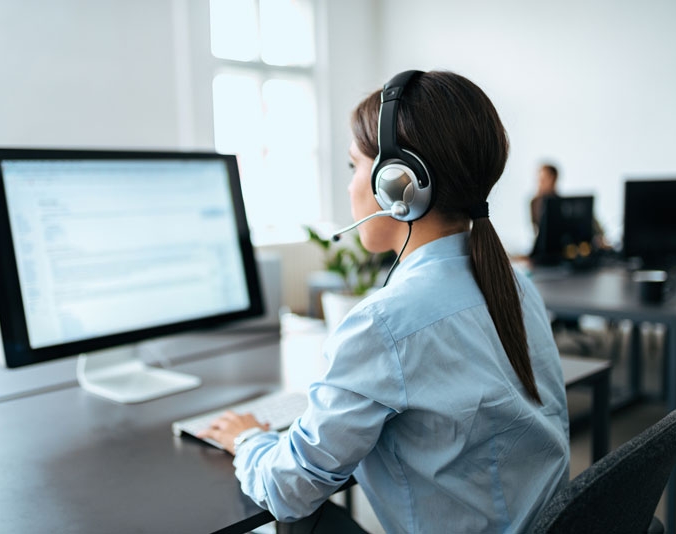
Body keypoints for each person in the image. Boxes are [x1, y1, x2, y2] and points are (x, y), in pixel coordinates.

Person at [198, 70, 570, 533]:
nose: (351, 185)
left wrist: (249, 438)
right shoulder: (514, 284)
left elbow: (287, 490)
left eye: (354, 165)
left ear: (397, 184)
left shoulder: (386, 323)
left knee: (298, 520)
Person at [530, 163, 559, 235]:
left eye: (544, 180)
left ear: (553, 179)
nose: (540, 183)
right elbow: (537, 229)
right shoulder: (534, 202)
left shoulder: (561, 204)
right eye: (540, 180)